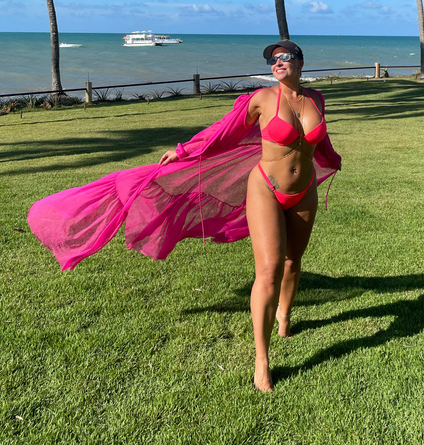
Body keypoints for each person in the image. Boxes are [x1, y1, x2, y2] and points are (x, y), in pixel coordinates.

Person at [28, 40, 341, 393]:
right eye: (272, 59)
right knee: (268, 271)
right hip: (266, 187)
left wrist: (332, 159)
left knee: (293, 262)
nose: (277, 63)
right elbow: (224, 131)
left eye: (285, 57)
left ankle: (284, 316)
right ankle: (261, 360)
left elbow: (320, 141)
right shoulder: (263, 99)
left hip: (304, 190)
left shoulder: (316, 99)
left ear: (300, 62)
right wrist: (185, 151)